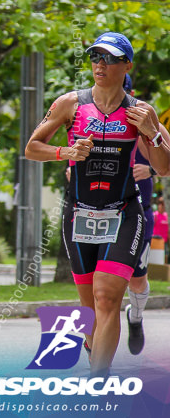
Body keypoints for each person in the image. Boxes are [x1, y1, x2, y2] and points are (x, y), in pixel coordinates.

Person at [25, 32, 170, 375]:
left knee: (107, 299)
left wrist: (153, 132)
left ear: (126, 65)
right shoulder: (70, 104)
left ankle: (97, 382)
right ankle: (94, 352)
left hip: (124, 213)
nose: (100, 65)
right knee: (89, 307)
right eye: (96, 57)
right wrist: (66, 152)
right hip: (78, 212)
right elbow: (32, 147)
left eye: (109, 59)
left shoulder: (140, 112)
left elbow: (164, 167)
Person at [121, 74, 156, 356]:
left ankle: (136, 317)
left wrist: (151, 169)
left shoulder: (143, 119)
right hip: (102, 211)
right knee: (98, 284)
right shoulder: (90, 118)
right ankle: (95, 346)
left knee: (137, 279)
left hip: (140, 212)